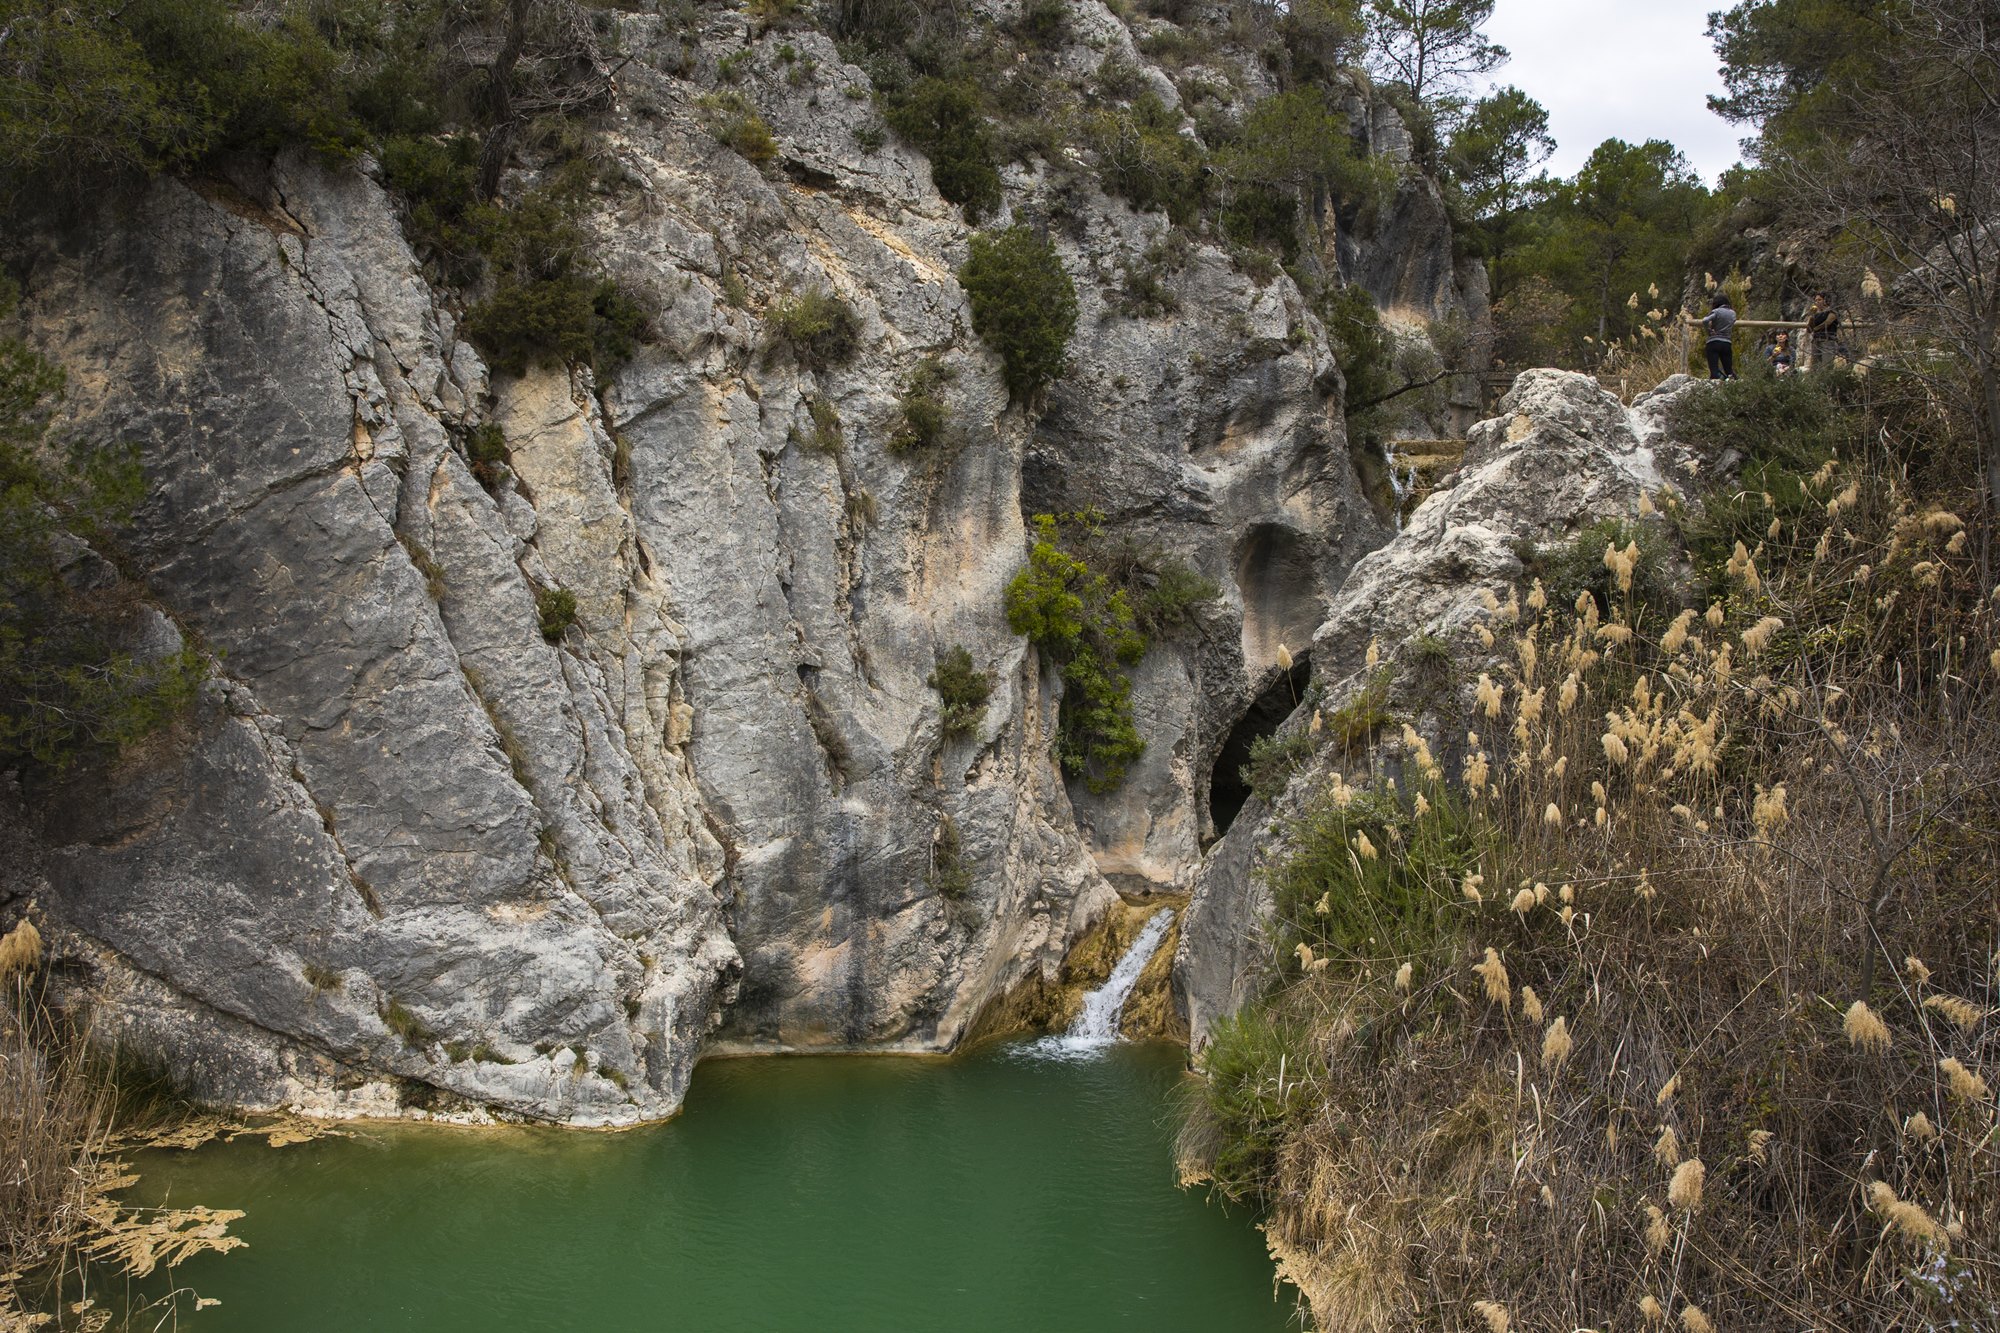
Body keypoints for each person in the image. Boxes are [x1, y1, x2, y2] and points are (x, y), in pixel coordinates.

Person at [1695, 293, 1737, 380]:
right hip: (1727, 343)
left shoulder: (1717, 311)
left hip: (1714, 342)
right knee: (1729, 370)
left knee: (1714, 371)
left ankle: (1720, 379)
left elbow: (1705, 320)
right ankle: (1733, 383)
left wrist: (1709, 331)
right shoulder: (1733, 313)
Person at [1805, 293, 1841, 368]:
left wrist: (1815, 329)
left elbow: (1827, 323)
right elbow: (1809, 329)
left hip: (1827, 340)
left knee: (1827, 365)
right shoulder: (1816, 314)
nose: (1817, 302)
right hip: (1816, 341)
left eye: (1819, 300)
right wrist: (1811, 317)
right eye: (1815, 300)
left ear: (1825, 300)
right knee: (1815, 366)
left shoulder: (1832, 311)